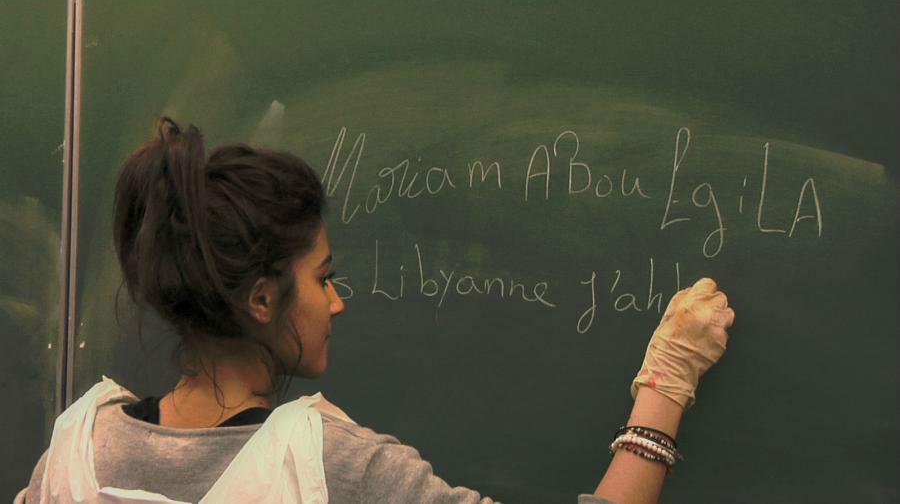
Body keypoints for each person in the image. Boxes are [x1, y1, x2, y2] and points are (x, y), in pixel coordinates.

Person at [19, 118, 735, 504]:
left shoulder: (74, 456)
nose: (337, 301)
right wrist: (664, 389)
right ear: (262, 299)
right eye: (323, 277)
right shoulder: (328, 467)